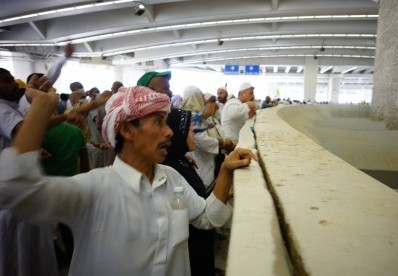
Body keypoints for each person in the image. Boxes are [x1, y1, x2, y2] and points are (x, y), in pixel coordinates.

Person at [0, 83, 256, 276]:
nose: (169, 132)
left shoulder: (173, 181)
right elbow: (14, 189)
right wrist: (42, 108)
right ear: (125, 129)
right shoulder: (93, 189)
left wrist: (226, 172)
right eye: (158, 122)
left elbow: (205, 217)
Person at [0, 68, 59, 276]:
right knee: (22, 258)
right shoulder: (2, 109)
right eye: (7, 81)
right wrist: (45, 102)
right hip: (13, 200)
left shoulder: (10, 106)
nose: (14, 84)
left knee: (28, 256)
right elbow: (25, 129)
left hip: (18, 193)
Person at [162, 108, 217, 276]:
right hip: (192, 247)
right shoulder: (171, 169)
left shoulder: (180, 160)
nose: (194, 135)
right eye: (189, 131)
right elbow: (200, 215)